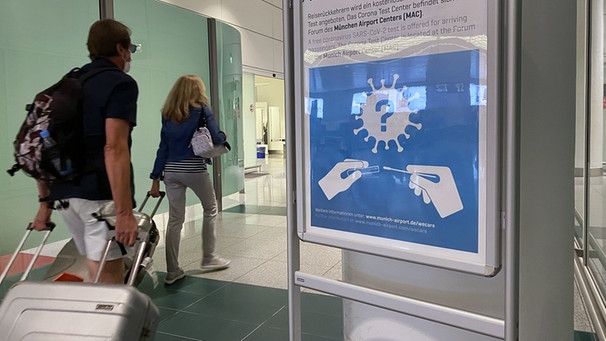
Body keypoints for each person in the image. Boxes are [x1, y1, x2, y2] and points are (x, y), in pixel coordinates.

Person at [31, 19, 139, 284]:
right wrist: (124, 213)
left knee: (95, 269)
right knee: (110, 279)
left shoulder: (67, 84)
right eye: (131, 49)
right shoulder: (120, 83)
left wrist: (45, 203)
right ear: (120, 48)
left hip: (65, 196)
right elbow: (114, 147)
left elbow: (39, 146)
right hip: (98, 197)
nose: (130, 56)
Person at [149, 74, 231, 285]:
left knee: (176, 220)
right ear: (197, 90)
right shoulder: (202, 109)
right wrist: (223, 135)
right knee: (210, 208)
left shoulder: (167, 114)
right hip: (193, 168)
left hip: (171, 170)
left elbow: (162, 148)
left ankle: (172, 270)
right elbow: (216, 137)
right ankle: (209, 256)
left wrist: (155, 178)